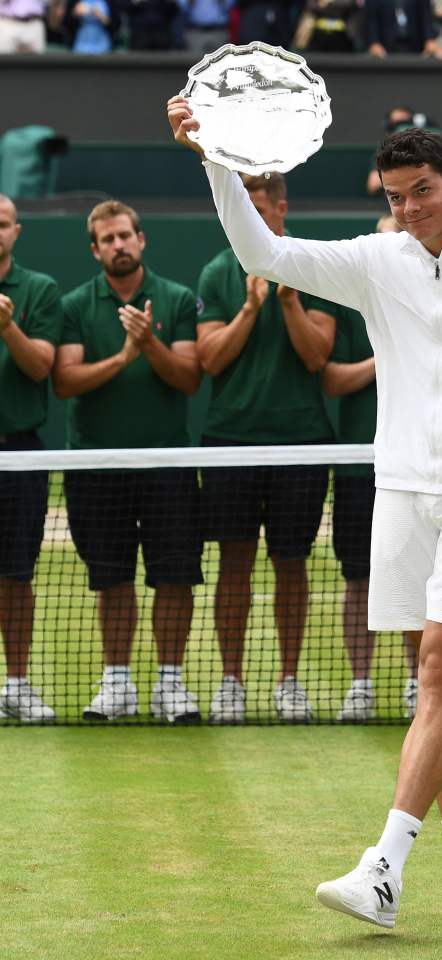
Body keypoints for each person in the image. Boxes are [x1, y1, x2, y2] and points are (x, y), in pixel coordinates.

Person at [168, 100, 442, 928]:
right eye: (395, 195)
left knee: (439, 670)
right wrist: (214, 159)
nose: (408, 209)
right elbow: (262, 248)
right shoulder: (375, 259)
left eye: (422, 191)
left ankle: (384, 865)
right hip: (399, 491)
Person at [53, 200, 203, 724]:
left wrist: (148, 342)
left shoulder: (178, 299)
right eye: (107, 239)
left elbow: (188, 377)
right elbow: (65, 381)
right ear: (95, 250)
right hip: (97, 469)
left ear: (141, 240)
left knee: (174, 578)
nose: (118, 245)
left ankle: (170, 683)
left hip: (167, 467)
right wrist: (121, 357)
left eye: (125, 236)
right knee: (111, 578)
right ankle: (116, 683)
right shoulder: (74, 305)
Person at [196, 172, 335, 724]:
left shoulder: (312, 264)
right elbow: (209, 360)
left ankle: (289, 681)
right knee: (234, 564)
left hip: (300, 442)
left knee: (291, 564)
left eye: (260, 210)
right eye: (243, 211)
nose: (251, 222)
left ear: (281, 209)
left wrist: (288, 301)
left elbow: (317, 357)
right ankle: (231, 681)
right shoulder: (216, 269)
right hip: (231, 440)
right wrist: (250, 308)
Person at [318, 214, 417, 723]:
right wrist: (389, 356)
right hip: (361, 468)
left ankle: (419, 684)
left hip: (421, 470)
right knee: (359, 580)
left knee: (419, 583)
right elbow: (333, 379)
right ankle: (360, 684)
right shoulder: (351, 299)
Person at [0, 194, 63, 723]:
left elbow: (42, 366)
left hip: (17, 452)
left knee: (16, 575)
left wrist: (8, 328)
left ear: (16, 231)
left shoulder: (38, 290)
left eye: (2, 225)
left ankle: (16, 684)